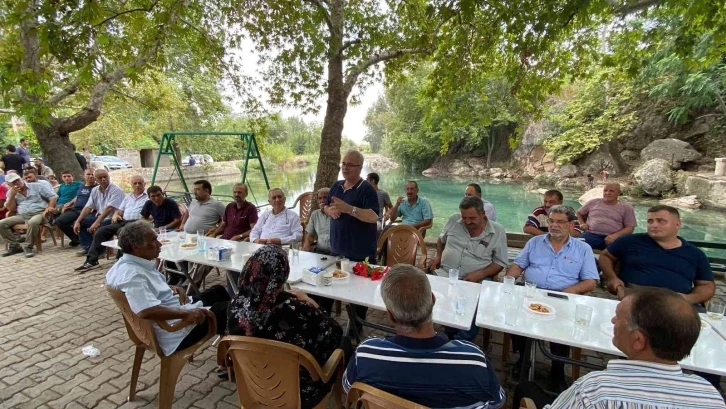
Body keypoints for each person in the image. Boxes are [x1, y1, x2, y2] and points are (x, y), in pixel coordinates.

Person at [513, 288, 726, 408]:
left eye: (619, 317)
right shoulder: (710, 395)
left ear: (638, 340)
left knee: (526, 388)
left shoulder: (596, 390)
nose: (613, 320)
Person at [343, 264, 506, 408]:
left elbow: (349, 388)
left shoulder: (366, 354)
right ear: (433, 300)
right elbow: (498, 402)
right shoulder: (474, 361)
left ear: (391, 316)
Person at [227, 245, 346, 409]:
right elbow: (335, 333)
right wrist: (313, 304)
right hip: (298, 393)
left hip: (254, 386)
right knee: (344, 344)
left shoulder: (235, 306)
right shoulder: (296, 309)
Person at [507, 205, 599, 391]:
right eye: (551, 221)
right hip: (531, 293)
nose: (554, 225)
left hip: (563, 296)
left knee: (562, 329)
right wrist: (508, 280)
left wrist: (571, 291)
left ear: (572, 224)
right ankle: (524, 360)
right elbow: (518, 265)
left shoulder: (583, 249)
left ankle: (557, 370)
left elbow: (591, 281)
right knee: (514, 317)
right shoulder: (535, 243)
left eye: (560, 222)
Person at [106, 221, 230, 357]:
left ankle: (228, 344)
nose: (159, 244)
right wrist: (185, 314)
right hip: (174, 332)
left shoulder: (122, 265)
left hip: (172, 310)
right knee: (233, 309)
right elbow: (145, 310)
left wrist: (171, 288)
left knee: (218, 291)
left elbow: (144, 291)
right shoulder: (133, 275)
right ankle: (234, 358)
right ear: (136, 247)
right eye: (153, 240)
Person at [601, 205, 715, 305]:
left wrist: (689, 298)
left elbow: (706, 285)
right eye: (650, 221)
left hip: (676, 305)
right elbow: (606, 256)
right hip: (635, 301)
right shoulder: (629, 242)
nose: (654, 225)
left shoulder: (695, 254)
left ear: (677, 224)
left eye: (661, 221)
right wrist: (612, 278)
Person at [430, 196, 508, 340]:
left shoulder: (497, 231)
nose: (467, 222)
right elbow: (441, 240)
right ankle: (443, 331)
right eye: (464, 217)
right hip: (445, 274)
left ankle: (460, 341)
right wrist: (439, 256)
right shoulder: (454, 220)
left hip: (475, 279)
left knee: (475, 305)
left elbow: (500, 262)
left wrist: (481, 273)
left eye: (471, 218)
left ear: (482, 213)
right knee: (421, 295)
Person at [322, 150, 379, 320]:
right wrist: (329, 210)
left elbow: (374, 216)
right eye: (343, 163)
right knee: (327, 294)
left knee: (358, 303)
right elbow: (324, 207)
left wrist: (349, 209)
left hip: (361, 256)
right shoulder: (336, 186)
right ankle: (325, 328)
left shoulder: (367, 189)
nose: (345, 167)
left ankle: (355, 333)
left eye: (350, 165)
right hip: (336, 253)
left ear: (360, 167)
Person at [75, 175, 148, 272]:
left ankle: (120, 261)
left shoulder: (148, 197)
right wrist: (116, 215)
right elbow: (120, 211)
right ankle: (92, 261)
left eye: (140, 183)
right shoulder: (128, 197)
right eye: (135, 183)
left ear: (144, 184)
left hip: (138, 223)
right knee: (101, 231)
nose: (137, 185)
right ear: (131, 185)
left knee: (123, 232)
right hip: (123, 221)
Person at [174, 180, 225, 288]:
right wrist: (182, 224)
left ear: (206, 190)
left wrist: (216, 228)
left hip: (203, 238)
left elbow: (226, 220)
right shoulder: (193, 202)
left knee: (198, 261)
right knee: (172, 251)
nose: (194, 192)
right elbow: (187, 212)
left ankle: (189, 285)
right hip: (186, 236)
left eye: (197, 189)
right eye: (194, 190)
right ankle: (185, 279)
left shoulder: (217, 205)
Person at [0, 173, 58, 257]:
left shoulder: (37, 186)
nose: (17, 182)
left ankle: (28, 246)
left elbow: (53, 196)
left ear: (21, 178)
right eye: (14, 182)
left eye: (18, 179)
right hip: (22, 215)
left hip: (39, 212)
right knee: (1, 223)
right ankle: (15, 246)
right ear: (9, 184)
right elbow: (11, 209)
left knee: (33, 222)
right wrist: (12, 196)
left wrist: (49, 207)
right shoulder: (11, 192)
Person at [72, 169, 124, 256]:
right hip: (100, 216)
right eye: (100, 177)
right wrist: (77, 221)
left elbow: (109, 208)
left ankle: (100, 251)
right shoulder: (95, 190)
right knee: (82, 222)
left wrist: (97, 222)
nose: (103, 179)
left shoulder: (116, 190)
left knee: (100, 226)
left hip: (114, 218)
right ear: (96, 179)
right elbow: (88, 207)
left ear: (109, 177)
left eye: (105, 177)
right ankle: (88, 247)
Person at [576, 183, 636, 250]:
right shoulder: (593, 202)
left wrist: (615, 236)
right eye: (605, 190)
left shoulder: (626, 207)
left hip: (614, 237)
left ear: (619, 193)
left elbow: (630, 227)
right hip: (591, 234)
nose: (607, 193)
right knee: (576, 246)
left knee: (626, 251)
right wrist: (582, 223)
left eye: (611, 191)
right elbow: (579, 213)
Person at [55, 169, 97, 246]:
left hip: (88, 211)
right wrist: (70, 202)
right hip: (76, 209)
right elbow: (78, 196)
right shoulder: (81, 186)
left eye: (92, 174)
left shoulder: (97, 187)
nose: (91, 176)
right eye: (88, 174)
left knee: (82, 222)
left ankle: (87, 245)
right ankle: (76, 238)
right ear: (84, 176)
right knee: (59, 221)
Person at [303, 188, 331, 253]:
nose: (322, 200)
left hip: (336, 253)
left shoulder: (337, 214)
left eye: (325, 197)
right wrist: (307, 243)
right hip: (320, 251)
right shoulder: (315, 214)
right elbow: (310, 235)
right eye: (320, 198)